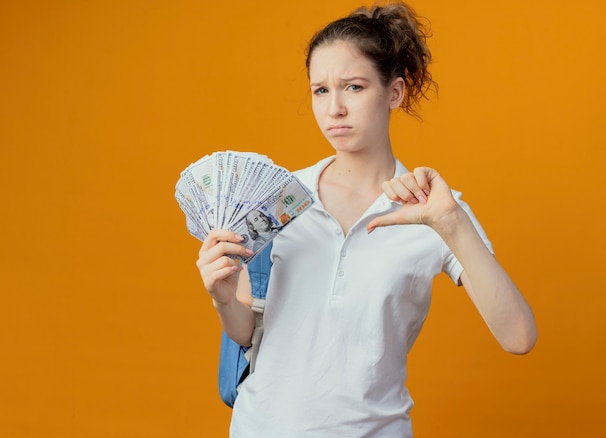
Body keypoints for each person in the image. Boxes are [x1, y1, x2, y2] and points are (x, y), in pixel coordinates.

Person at [195, 1, 537, 436]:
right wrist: (223, 298)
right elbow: (249, 332)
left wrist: (450, 223)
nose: (334, 108)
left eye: (353, 87)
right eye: (321, 90)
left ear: (393, 93)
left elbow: (518, 337)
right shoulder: (277, 197)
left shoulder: (434, 208)